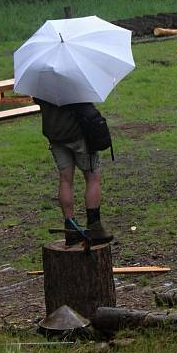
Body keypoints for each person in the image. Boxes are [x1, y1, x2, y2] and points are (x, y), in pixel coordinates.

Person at [34, 98, 113, 246]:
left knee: (65, 179)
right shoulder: (75, 76)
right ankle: (95, 227)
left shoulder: (41, 82)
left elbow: (37, 101)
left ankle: (70, 229)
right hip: (78, 134)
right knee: (93, 177)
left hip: (55, 135)